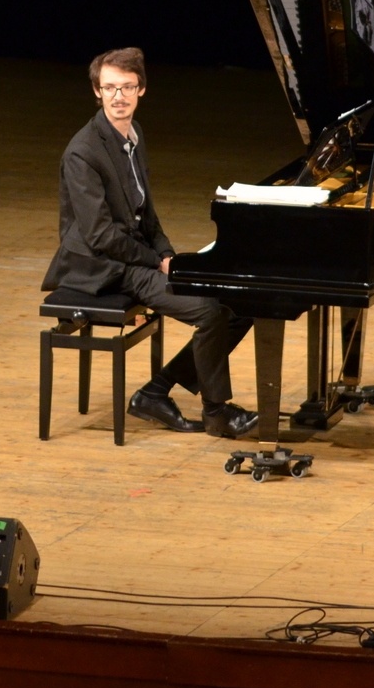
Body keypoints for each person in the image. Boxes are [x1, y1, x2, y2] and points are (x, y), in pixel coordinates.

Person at [42, 47, 257, 438]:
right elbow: (100, 235)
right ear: (96, 91)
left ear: (142, 90)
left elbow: (147, 214)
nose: (118, 96)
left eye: (127, 87)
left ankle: (155, 393)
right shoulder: (82, 152)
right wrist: (154, 262)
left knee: (240, 302)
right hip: (103, 265)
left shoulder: (133, 136)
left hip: (133, 255)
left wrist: (168, 254)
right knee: (210, 311)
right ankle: (217, 413)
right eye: (109, 88)